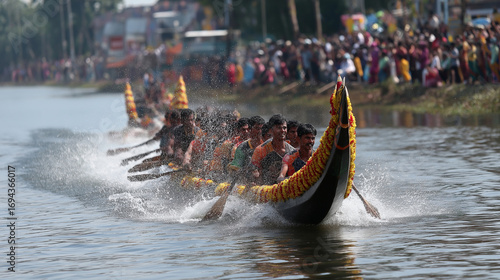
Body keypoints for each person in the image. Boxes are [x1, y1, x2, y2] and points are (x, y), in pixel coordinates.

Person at [251, 114, 295, 185]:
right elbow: (253, 171)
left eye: (284, 128)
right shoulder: (260, 150)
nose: (282, 131)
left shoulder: (292, 151)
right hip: (265, 187)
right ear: (271, 130)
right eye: (279, 128)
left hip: (285, 185)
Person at [228, 116, 265, 183]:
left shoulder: (268, 145)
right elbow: (234, 172)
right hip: (247, 182)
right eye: (257, 128)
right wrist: (249, 171)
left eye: (262, 128)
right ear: (250, 129)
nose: (260, 131)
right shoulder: (242, 147)